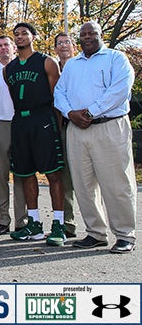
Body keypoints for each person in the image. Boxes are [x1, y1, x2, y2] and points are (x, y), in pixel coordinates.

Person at [54, 21, 137, 253]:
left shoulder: (116, 59)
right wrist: (69, 112)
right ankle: (95, 232)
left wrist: (91, 112)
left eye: (92, 33)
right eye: (83, 34)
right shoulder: (72, 65)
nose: (87, 37)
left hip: (108, 127)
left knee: (117, 183)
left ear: (101, 35)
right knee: (83, 184)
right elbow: (59, 92)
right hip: (77, 129)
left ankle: (124, 234)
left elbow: (119, 90)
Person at [5, 23, 66, 246]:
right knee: (25, 173)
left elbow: (57, 98)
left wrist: (55, 125)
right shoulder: (8, 68)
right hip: (20, 121)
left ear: (33, 36)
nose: (20, 37)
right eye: (17, 35)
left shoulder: (46, 62)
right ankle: (34, 223)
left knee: (53, 174)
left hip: (43, 119)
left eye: (24, 34)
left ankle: (58, 224)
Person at [0, 35, 27, 235]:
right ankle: (2, 219)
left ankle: (22, 220)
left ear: (14, 47)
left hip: (21, 122)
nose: (4, 48)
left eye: (7, 45)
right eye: (0, 45)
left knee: (21, 173)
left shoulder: (22, 68)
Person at [53, 32, 78, 238]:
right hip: (60, 127)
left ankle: (97, 225)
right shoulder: (52, 68)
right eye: (59, 43)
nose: (63, 46)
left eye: (67, 42)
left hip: (83, 124)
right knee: (65, 177)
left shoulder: (80, 67)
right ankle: (67, 224)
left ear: (74, 46)